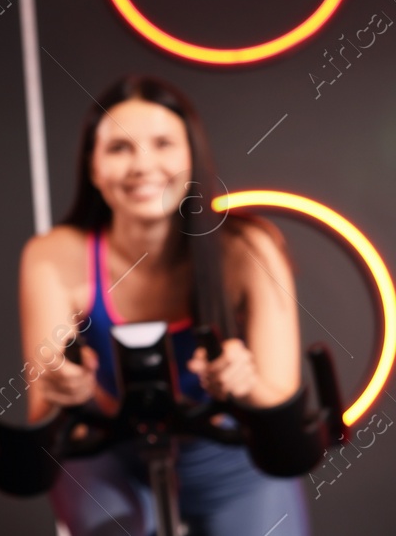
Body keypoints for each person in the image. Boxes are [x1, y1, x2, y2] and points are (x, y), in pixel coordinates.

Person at [19, 75, 308, 536]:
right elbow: (44, 415)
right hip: (107, 456)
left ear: (192, 157)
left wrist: (246, 382)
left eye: (163, 144)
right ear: (92, 168)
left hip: (229, 461)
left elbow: (281, 405)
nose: (143, 165)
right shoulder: (53, 256)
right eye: (119, 148)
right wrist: (65, 388)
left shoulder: (249, 249)